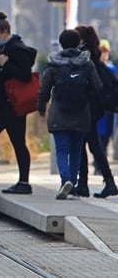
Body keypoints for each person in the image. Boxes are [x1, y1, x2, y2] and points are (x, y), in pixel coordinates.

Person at [39, 28, 102, 199]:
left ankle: (65, 180)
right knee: (76, 150)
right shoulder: (87, 63)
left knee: (62, 149)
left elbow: (44, 89)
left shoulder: (53, 65)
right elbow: (97, 87)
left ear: (61, 43)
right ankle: (72, 184)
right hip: (81, 112)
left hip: (59, 112)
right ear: (78, 43)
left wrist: (41, 107)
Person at [0, 12, 35, 194]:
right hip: (3, 104)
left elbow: (25, 74)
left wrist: (5, 65)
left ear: (4, 32)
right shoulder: (4, 48)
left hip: (13, 105)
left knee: (17, 141)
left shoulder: (17, 48)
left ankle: (24, 182)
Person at [74, 25, 118, 198]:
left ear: (82, 39)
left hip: (87, 108)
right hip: (93, 109)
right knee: (89, 146)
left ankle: (105, 183)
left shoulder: (84, 57)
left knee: (89, 147)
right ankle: (89, 183)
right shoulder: (93, 55)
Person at [98, 39, 116, 161]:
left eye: (106, 52)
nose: (104, 55)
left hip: (109, 108)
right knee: (99, 135)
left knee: (108, 134)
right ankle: (99, 160)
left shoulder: (111, 68)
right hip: (99, 107)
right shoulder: (94, 67)